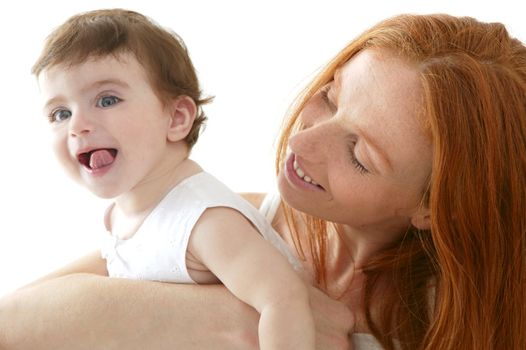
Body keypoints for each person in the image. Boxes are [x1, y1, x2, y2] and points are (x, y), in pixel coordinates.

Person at [1, 12, 525, 350]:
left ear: (435, 205)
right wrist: (190, 319)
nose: (301, 143)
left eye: (359, 153)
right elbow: (12, 318)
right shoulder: (225, 218)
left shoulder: (459, 328)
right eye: (330, 96)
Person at [30, 8, 315, 350]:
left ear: (176, 118)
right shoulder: (123, 215)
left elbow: (282, 300)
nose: (77, 125)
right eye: (60, 113)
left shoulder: (203, 219)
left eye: (107, 100)